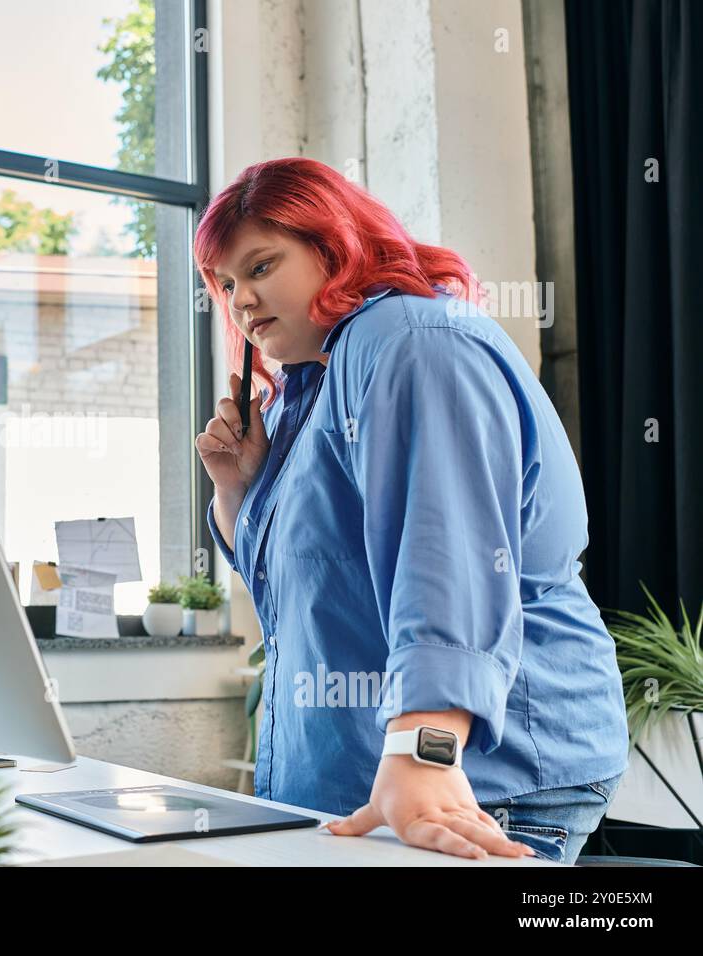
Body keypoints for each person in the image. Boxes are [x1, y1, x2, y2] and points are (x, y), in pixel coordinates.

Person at [194, 158, 628, 863]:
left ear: (335, 245)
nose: (242, 300)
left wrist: (423, 754)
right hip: (376, 775)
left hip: (479, 776)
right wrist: (237, 490)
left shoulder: (406, 340)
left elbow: (447, 555)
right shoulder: (311, 387)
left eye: (262, 266)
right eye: (227, 284)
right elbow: (314, 587)